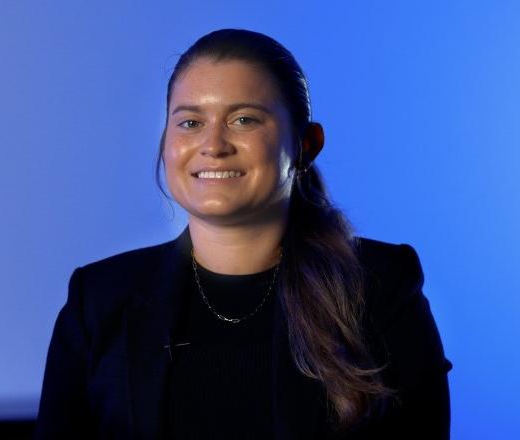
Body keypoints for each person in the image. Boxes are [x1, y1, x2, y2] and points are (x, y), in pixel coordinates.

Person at [34, 28, 452, 439]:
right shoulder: (100, 298)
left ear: (307, 144)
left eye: (244, 119)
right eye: (191, 122)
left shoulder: (380, 287)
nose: (213, 144)